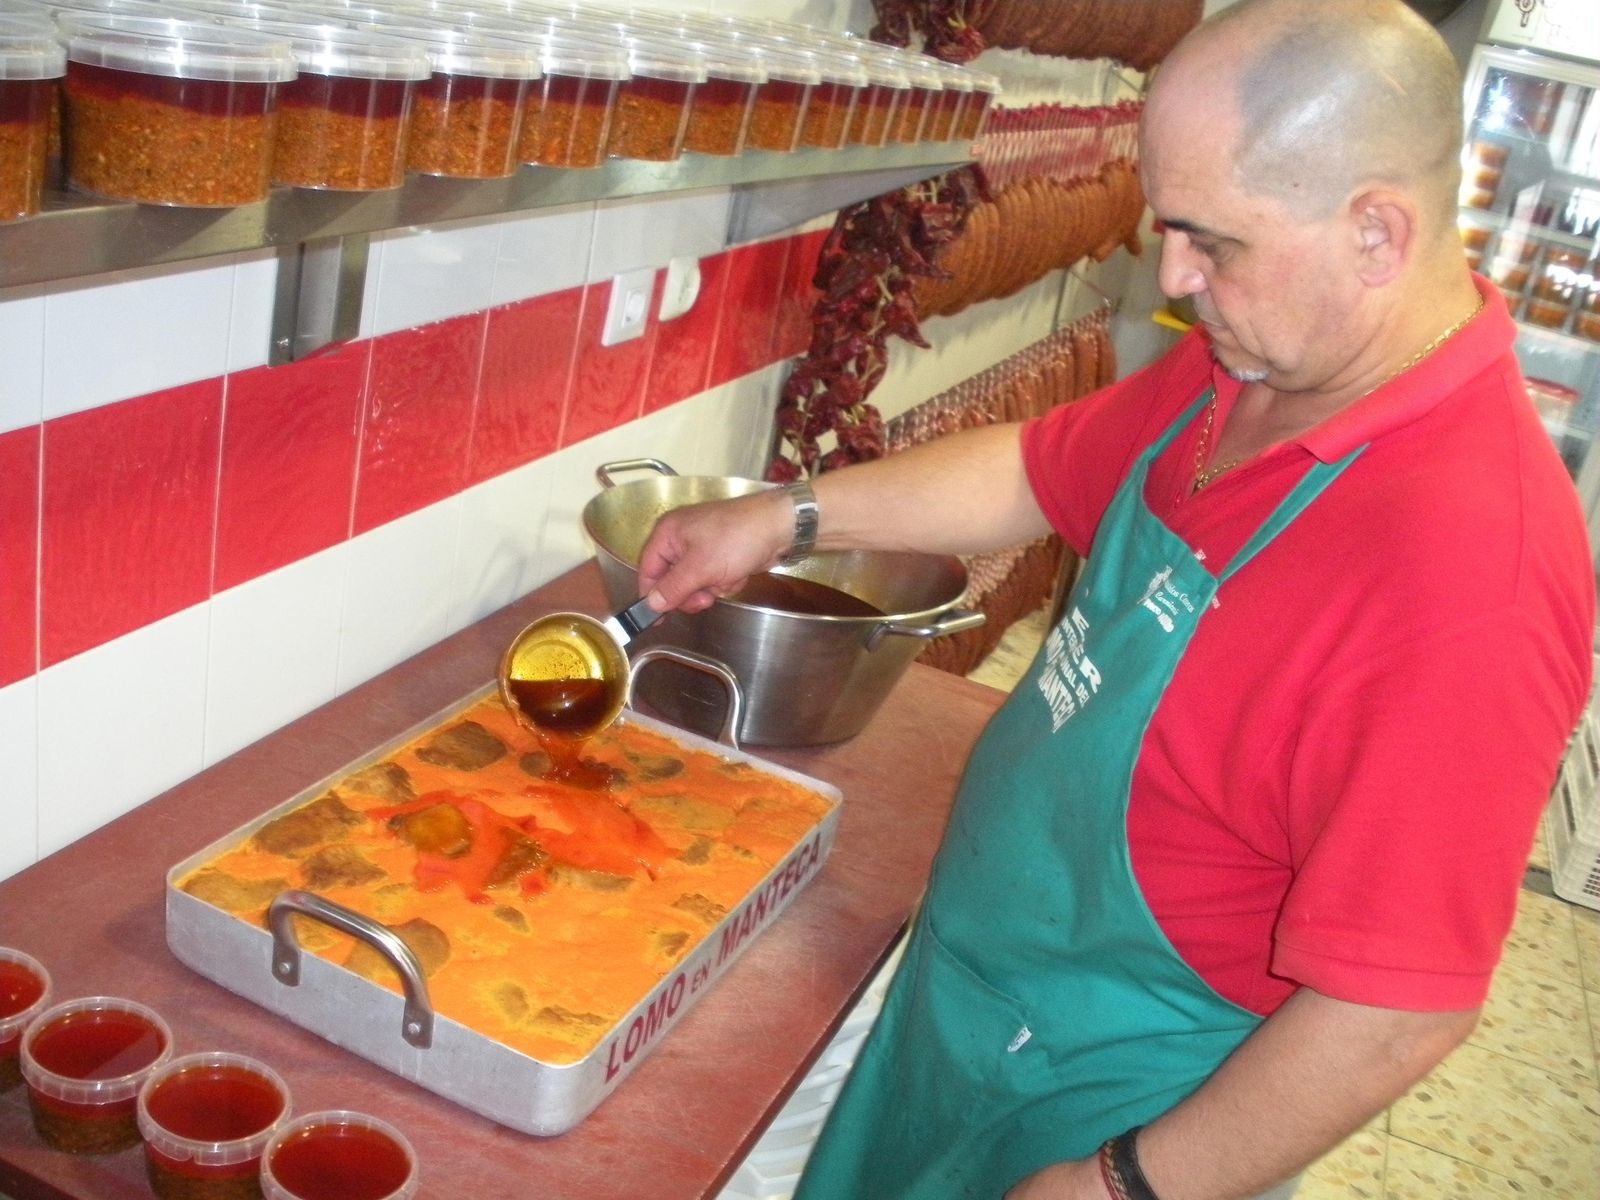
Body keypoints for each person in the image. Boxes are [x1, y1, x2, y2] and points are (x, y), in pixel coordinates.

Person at [637, 1, 1597, 1197]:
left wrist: (1126, 1183)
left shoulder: (1467, 576)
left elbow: (1393, 1010)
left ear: (1375, 233)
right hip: (975, 990)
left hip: (1118, 1091)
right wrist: (788, 514)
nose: (1176, 278)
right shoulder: (1254, 360)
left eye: (1212, 243)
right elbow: (1035, 468)